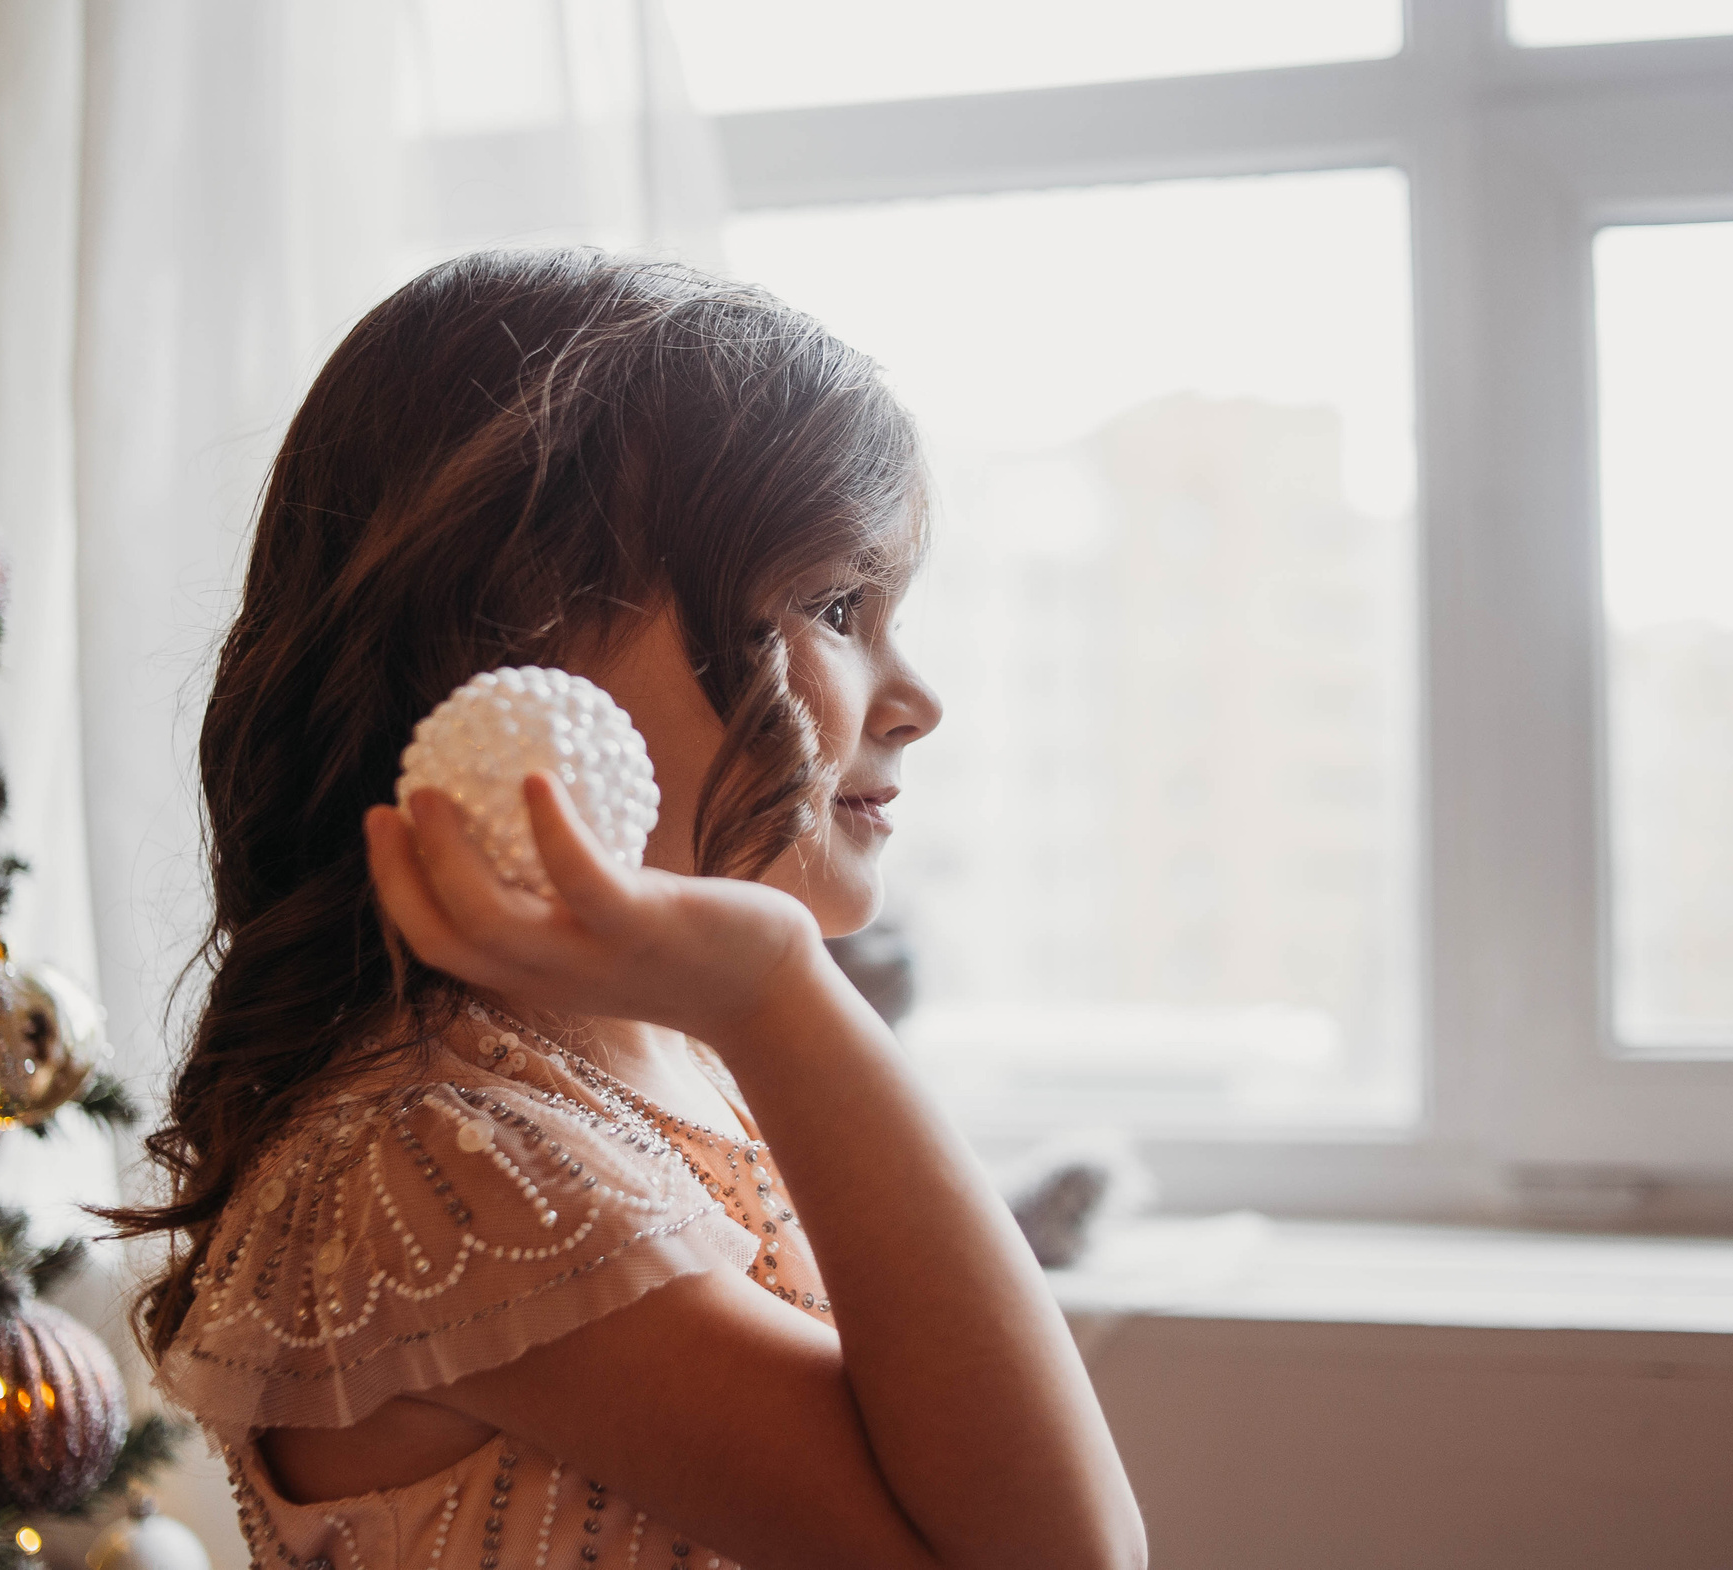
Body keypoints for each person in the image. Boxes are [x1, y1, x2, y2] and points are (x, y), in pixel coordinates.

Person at [115, 249, 1144, 1570]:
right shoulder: (435, 1162)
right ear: (510, 642)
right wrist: (779, 985)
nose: (917, 700)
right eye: (838, 605)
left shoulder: (671, 1073)